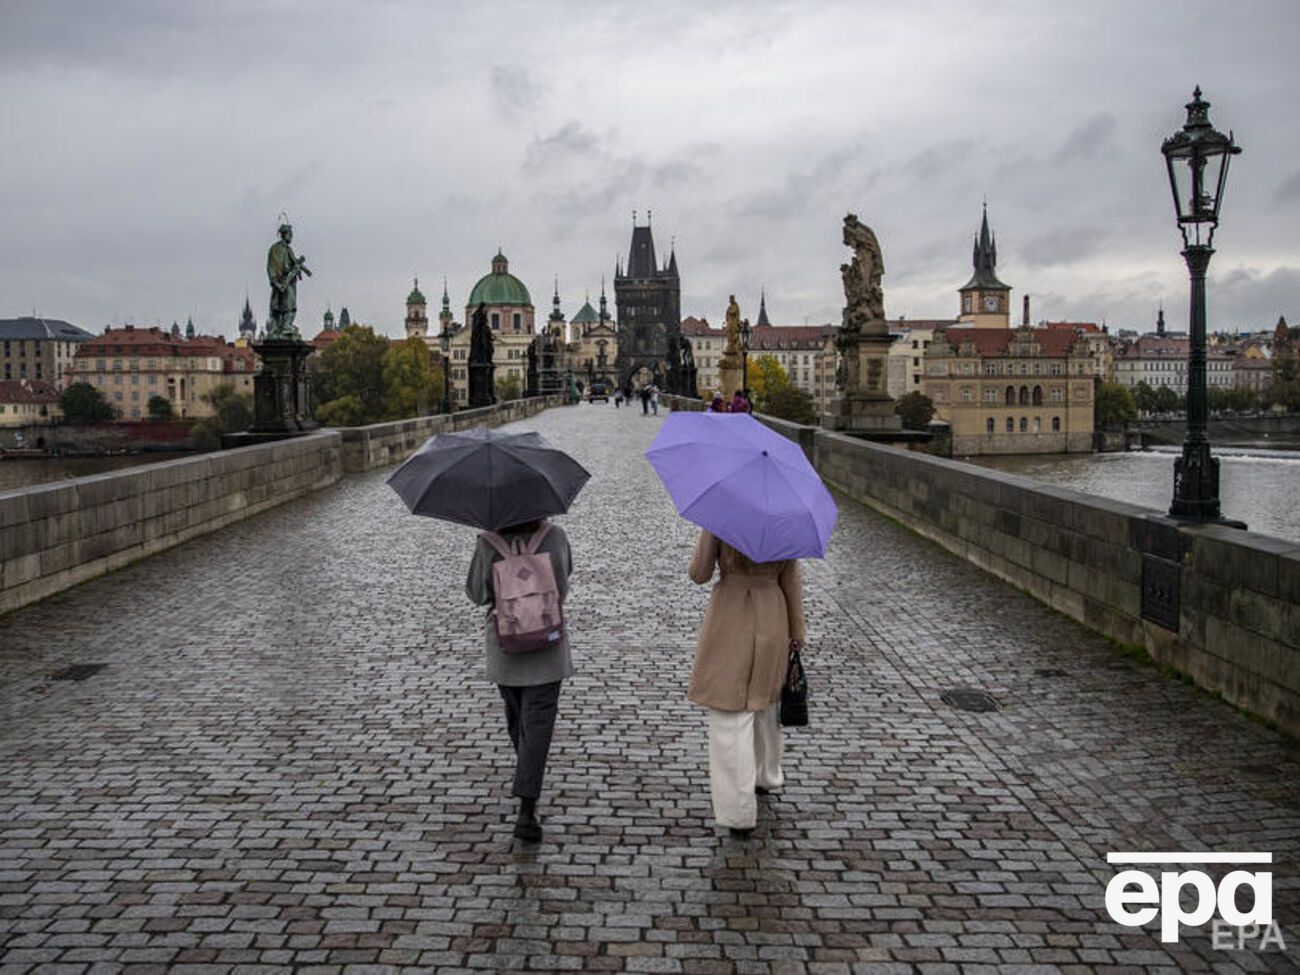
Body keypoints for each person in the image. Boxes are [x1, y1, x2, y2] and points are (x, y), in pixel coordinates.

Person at [688, 529, 805, 838]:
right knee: (764, 702)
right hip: (772, 613)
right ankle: (766, 774)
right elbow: (791, 581)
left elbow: (698, 574)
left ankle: (738, 812)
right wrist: (798, 632)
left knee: (730, 715)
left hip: (731, 614)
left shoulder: (722, 517)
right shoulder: (784, 518)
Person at [466, 518, 574, 843]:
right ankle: (527, 809)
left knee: (517, 721)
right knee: (537, 726)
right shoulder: (555, 536)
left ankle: (527, 798)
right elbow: (563, 587)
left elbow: (475, 593)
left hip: (506, 649)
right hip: (547, 643)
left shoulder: (488, 542)